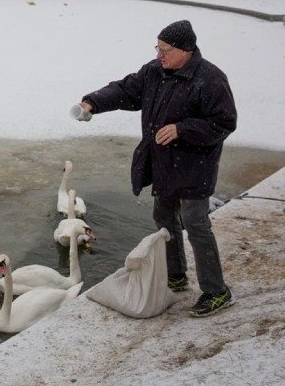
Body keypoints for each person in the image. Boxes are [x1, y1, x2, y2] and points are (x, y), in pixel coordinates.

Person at [74, 20, 238, 317]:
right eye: (157, 48)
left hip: (194, 166)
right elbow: (125, 90)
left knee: (195, 222)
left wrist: (182, 129)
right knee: (163, 217)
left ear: (185, 50)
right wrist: (92, 103)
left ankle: (216, 291)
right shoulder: (154, 71)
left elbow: (224, 123)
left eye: (165, 50)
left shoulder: (210, 79)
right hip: (163, 162)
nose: (159, 55)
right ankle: (176, 274)